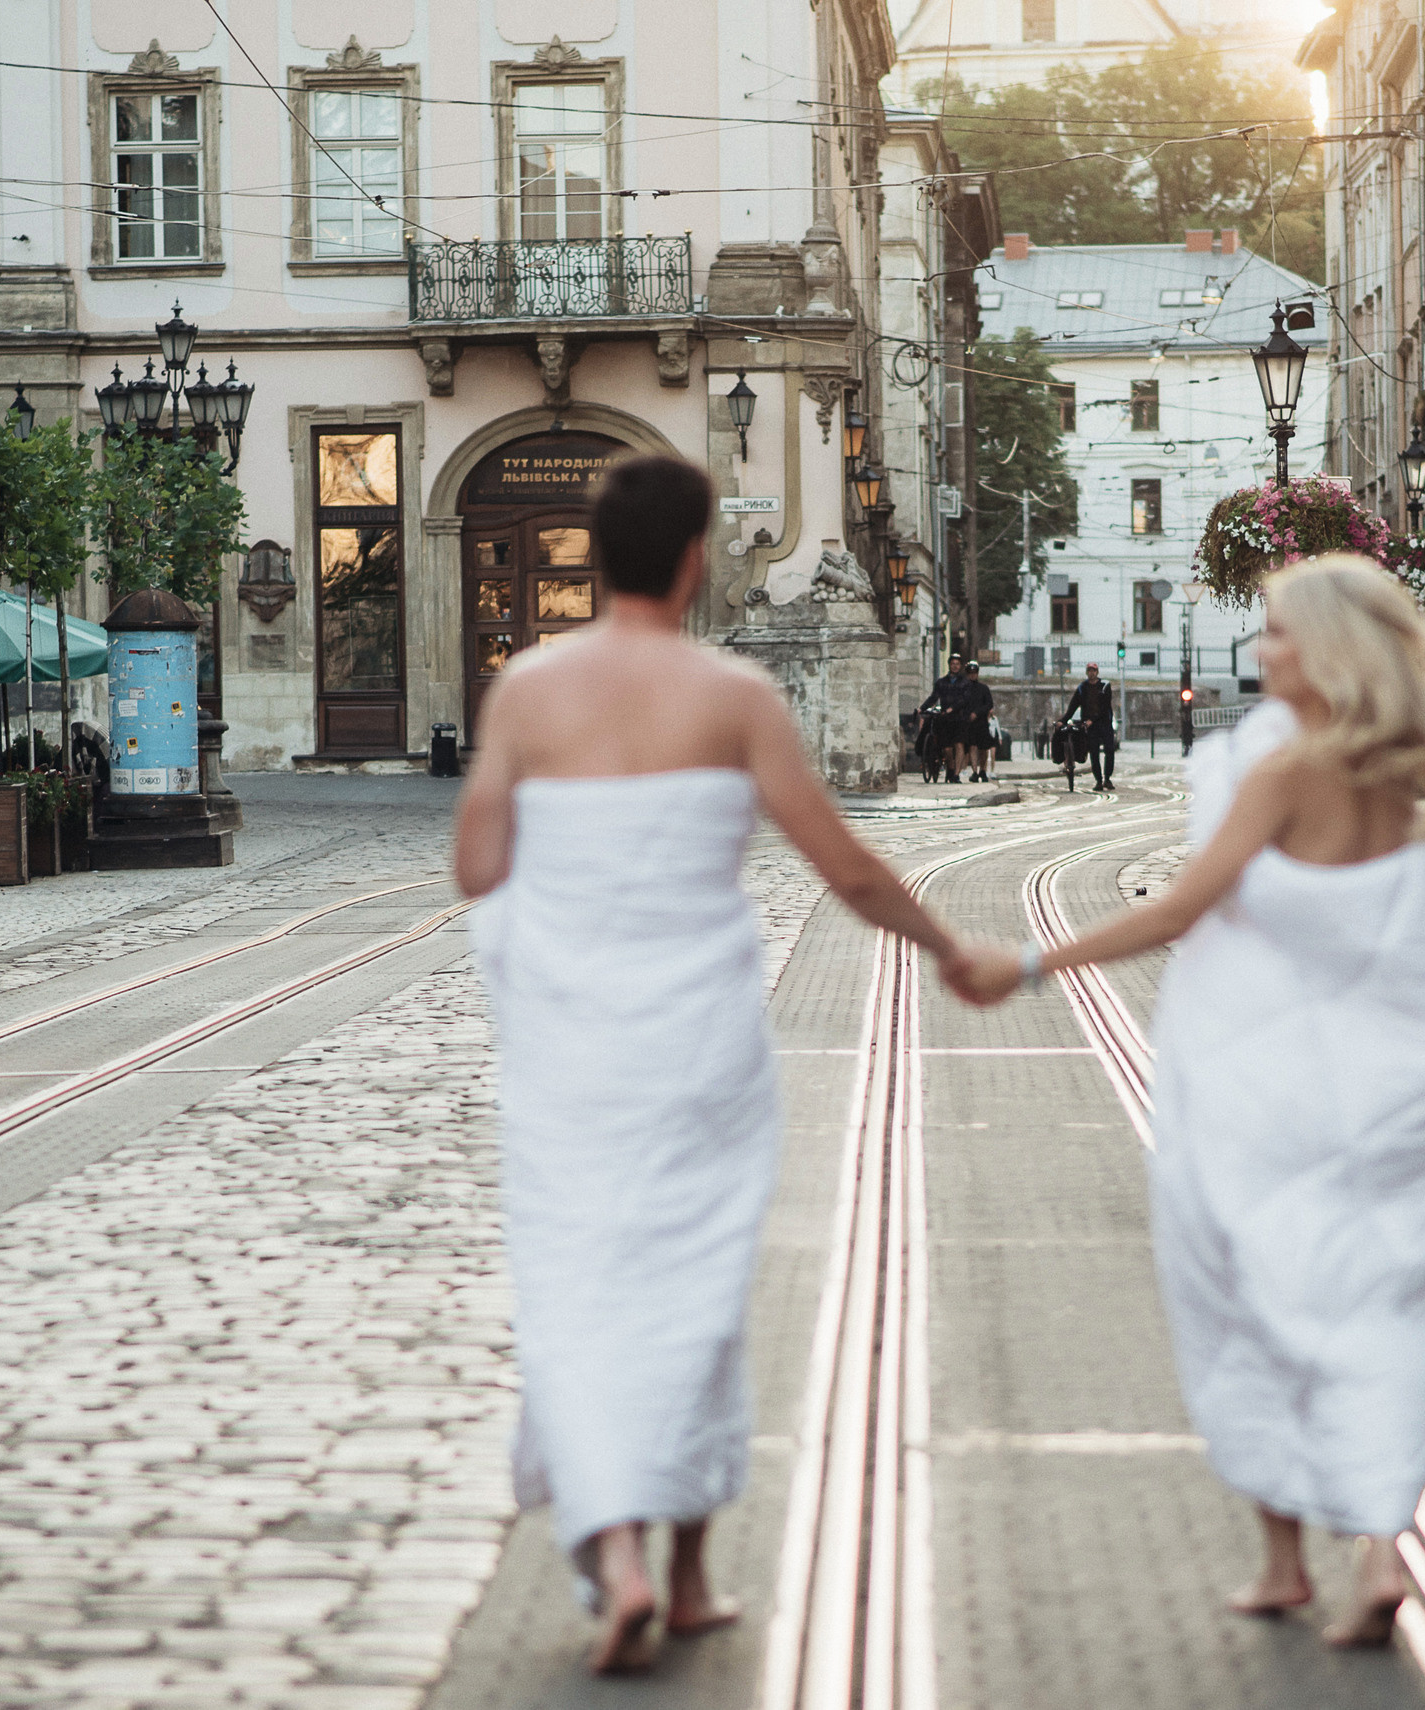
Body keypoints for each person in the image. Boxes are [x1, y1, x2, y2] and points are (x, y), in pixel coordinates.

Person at [948, 555, 1425, 1648]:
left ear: (1329, 651)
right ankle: (1373, 1544)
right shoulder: (1409, 777)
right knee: (1374, 1305)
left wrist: (1033, 964)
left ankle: (1290, 1558)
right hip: (1389, 1103)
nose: (1261, 650)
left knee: (1248, 1307)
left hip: (1268, 1093)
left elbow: (1183, 908)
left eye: (1280, 634)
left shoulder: (1287, 772)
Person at [454, 454, 981, 1675]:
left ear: (593, 552)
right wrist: (952, 947)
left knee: (580, 1290)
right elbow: (844, 869)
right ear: (698, 557)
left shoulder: (529, 690)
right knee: (693, 1296)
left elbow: (478, 868)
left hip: (575, 1052)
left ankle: (622, 1558)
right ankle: (687, 1580)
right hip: (698, 1046)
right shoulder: (735, 694)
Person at [1064, 661, 1119, 791]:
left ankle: (1107, 778)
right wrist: (1064, 719)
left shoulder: (1105, 685)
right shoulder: (1082, 688)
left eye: (1093, 670)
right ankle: (1099, 780)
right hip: (1091, 727)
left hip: (1104, 723)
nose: (1091, 673)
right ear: (1086, 672)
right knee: (1094, 752)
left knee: (1109, 750)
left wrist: (1092, 720)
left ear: (1097, 672)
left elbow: (1104, 707)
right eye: (1089, 671)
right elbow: (1073, 706)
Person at [924, 651, 974, 781]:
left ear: (961, 666)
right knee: (946, 748)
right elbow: (934, 697)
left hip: (960, 718)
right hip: (946, 718)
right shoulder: (941, 682)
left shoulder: (965, 682)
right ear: (949, 665)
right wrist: (922, 708)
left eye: (957, 664)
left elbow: (965, 699)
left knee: (959, 745)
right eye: (953, 664)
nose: (955, 666)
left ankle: (956, 774)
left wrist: (953, 708)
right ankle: (951, 768)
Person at [957, 660, 997, 782]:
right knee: (972, 747)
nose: (972, 675)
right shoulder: (963, 688)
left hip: (981, 722)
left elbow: (989, 704)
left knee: (983, 748)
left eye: (974, 673)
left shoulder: (983, 688)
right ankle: (974, 771)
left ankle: (983, 770)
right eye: (970, 673)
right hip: (969, 723)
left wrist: (977, 713)